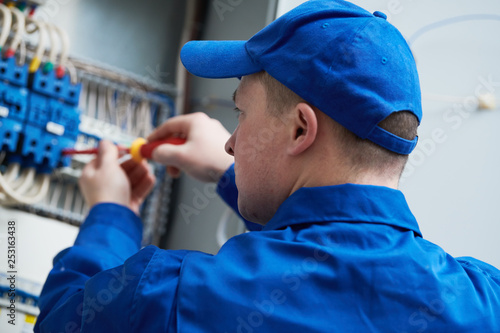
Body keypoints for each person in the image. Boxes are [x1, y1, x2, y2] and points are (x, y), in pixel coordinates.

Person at [35, 0, 500, 332]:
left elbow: (60, 319)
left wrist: (111, 213)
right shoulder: (486, 300)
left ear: (301, 130)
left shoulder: (172, 295)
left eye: (240, 113)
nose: (232, 144)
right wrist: (229, 174)